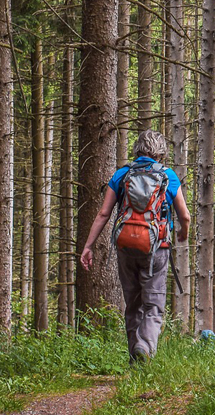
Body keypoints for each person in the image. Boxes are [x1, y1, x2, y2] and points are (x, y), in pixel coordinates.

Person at [80, 130, 191, 362]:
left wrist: (88, 246)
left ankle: (134, 355)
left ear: (137, 149)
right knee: (153, 305)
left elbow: (104, 213)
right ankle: (145, 349)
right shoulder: (168, 176)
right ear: (161, 152)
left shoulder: (122, 174)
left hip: (125, 247)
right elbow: (185, 216)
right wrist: (183, 232)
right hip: (156, 248)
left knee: (133, 303)